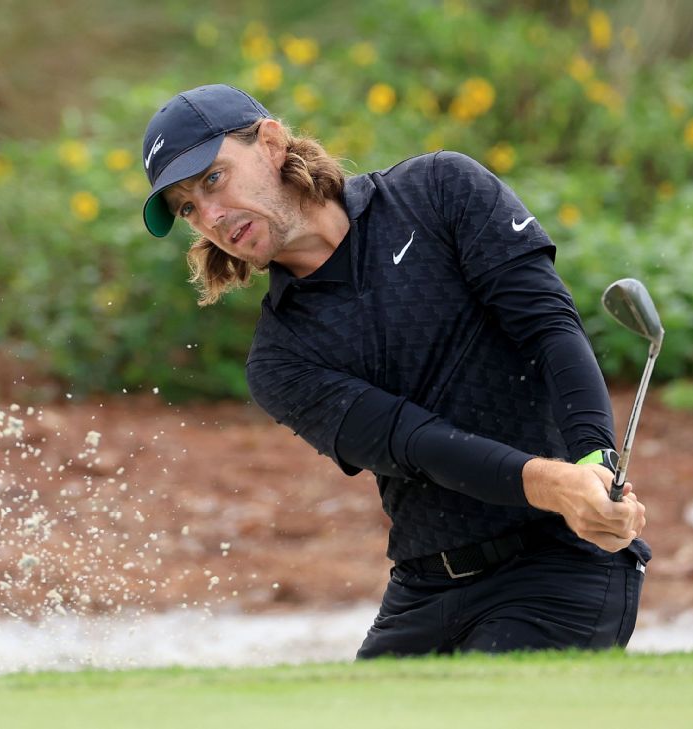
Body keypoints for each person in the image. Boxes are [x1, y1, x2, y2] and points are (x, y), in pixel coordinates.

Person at [139, 84, 650, 657]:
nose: (209, 215)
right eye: (188, 207)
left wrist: (594, 465)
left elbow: (549, 329)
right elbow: (415, 444)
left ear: (272, 143)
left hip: (558, 565)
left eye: (213, 179)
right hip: (425, 589)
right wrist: (557, 483)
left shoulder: (440, 191)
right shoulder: (280, 359)